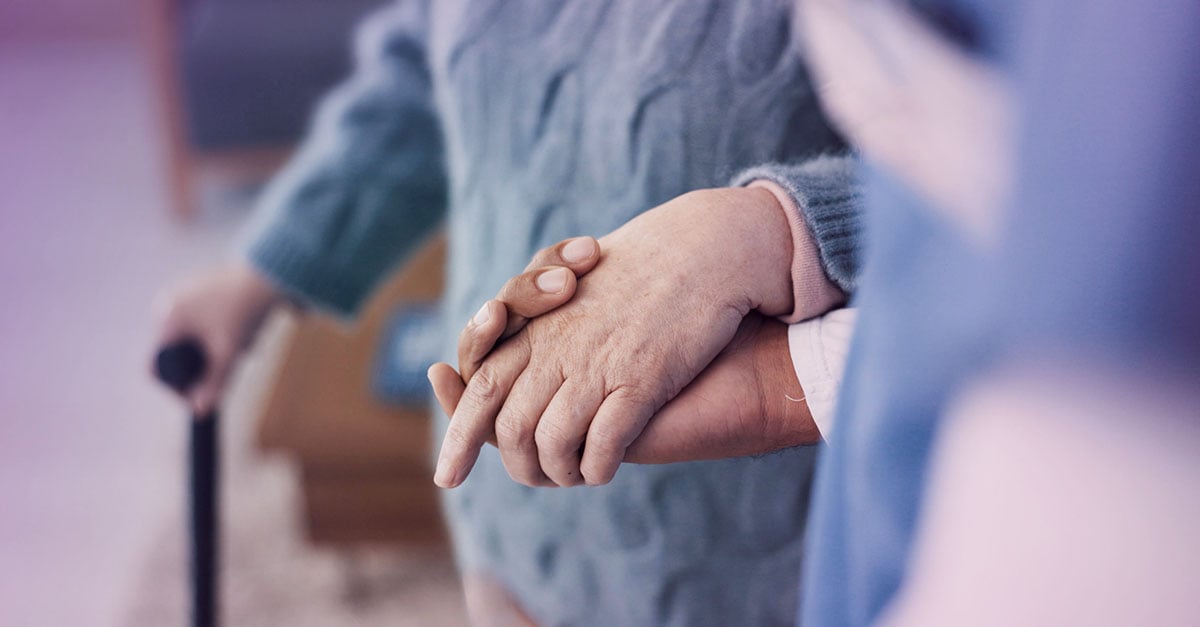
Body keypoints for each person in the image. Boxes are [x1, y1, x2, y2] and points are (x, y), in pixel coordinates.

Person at [153, 2, 867, 624]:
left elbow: (970, 207)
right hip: (508, 517)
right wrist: (258, 274)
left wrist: (764, 230)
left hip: (754, 562)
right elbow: (416, 88)